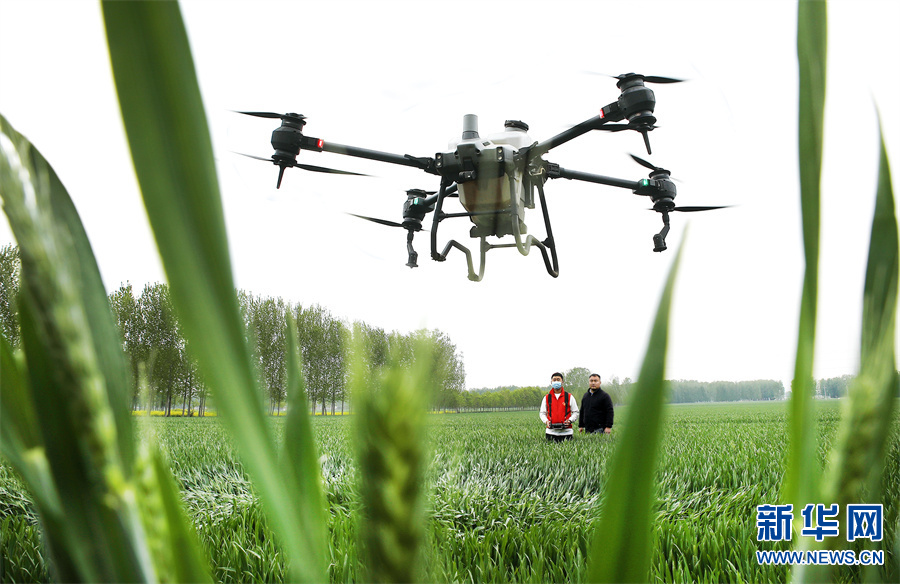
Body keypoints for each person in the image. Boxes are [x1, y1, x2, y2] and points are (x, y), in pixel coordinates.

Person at [539, 372, 579, 442]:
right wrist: (546, 421)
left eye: (558, 379)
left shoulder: (569, 396)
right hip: (550, 432)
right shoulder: (547, 397)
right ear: (551, 382)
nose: (556, 381)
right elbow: (542, 413)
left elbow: (576, 412)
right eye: (554, 380)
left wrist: (570, 420)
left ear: (562, 382)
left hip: (567, 432)